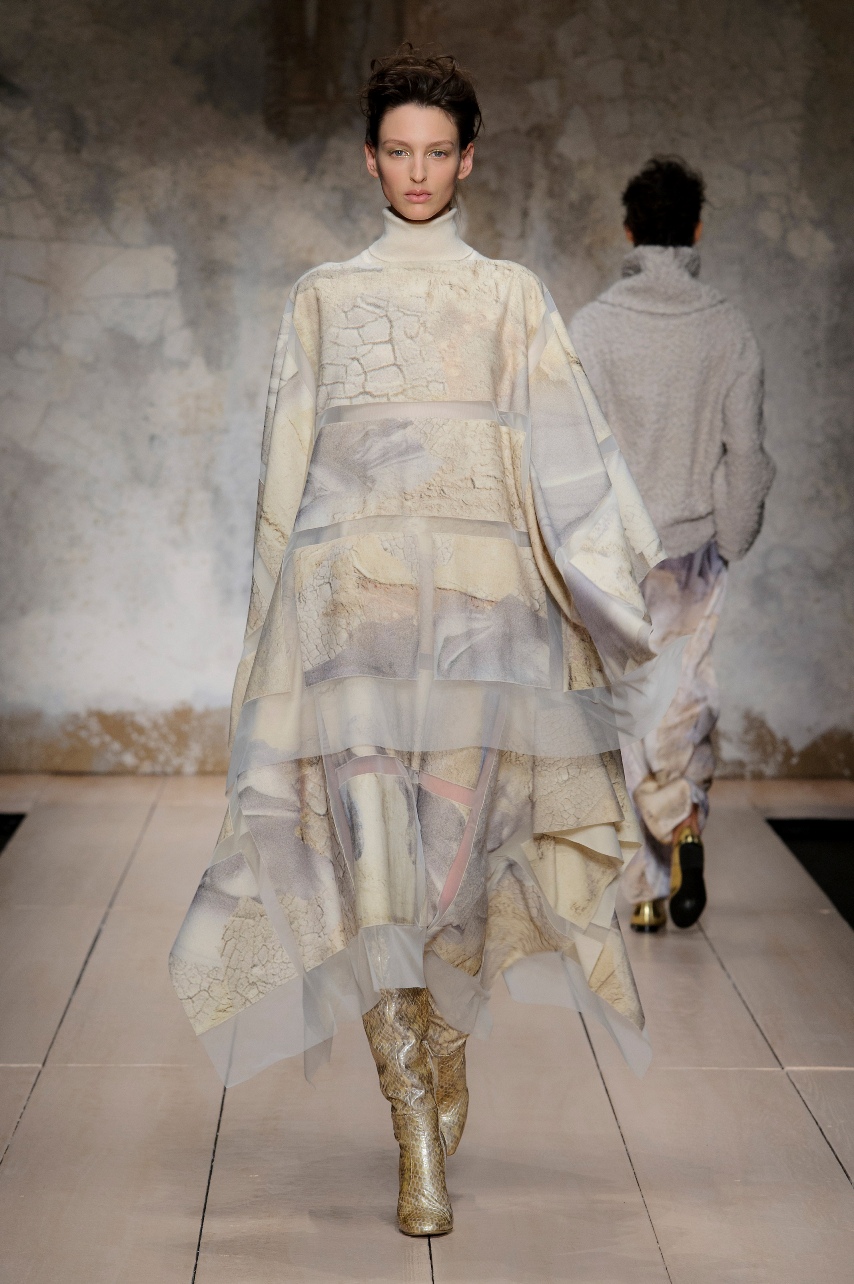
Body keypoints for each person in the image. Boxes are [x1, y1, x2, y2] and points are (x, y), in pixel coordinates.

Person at [169, 52, 683, 1237]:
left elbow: (566, 453)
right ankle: (411, 1125)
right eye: (396, 151)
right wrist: (264, 638)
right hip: (347, 621)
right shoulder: (320, 299)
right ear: (368, 160)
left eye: (435, 152)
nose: (415, 172)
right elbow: (281, 475)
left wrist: (609, 591)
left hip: (480, 629)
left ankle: (441, 1050)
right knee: (371, 876)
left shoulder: (509, 295)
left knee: (454, 872)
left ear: (467, 160)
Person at [569, 157, 775, 934]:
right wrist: (733, 535)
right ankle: (682, 823)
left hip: (617, 556)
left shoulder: (593, 327)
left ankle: (648, 891)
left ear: (628, 233)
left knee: (631, 714)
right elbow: (745, 452)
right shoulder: (728, 328)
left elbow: (571, 453)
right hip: (693, 553)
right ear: (696, 230)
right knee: (684, 703)